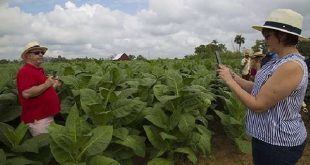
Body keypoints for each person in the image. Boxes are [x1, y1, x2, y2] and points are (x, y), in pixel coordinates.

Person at [217, 9, 309, 165]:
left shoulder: (291, 66)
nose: (265, 40)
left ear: (283, 36)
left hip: (278, 143)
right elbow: (257, 88)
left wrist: (229, 82)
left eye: (268, 36)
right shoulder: (277, 59)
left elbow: (258, 105)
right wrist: (233, 75)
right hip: (266, 137)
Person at [16, 41, 61, 136]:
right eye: (37, 53)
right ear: (28, 56)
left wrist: (54, 85)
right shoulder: (26, 71)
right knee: (45, 147)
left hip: (45, 116)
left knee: (51, 145)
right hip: (38, 120)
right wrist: (47, 84)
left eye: (42, 53)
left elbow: (41, 90)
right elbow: (27, 93)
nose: (41, 55)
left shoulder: (37, 70)